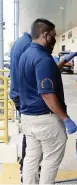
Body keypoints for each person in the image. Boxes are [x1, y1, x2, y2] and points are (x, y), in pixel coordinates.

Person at [18, 18, 77, 184]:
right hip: (45, 120)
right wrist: (66, 119)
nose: (55, 39)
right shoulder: (43, 58)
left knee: (31, 158)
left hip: (28, 118)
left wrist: (63, 61)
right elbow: (46, 94)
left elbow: (45, 74)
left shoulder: (26, 55)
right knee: (51, 160)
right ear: (45, 35)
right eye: (53, 36)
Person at [9, 32, 32, 182]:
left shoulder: (20, 42)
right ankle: (27, 169)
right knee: (31, 134)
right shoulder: (28, 45)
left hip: (18, 93)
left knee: (29, 131)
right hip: (24, 95)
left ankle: (26, 167)